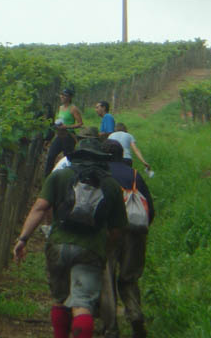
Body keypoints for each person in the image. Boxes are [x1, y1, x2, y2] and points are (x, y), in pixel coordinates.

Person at [14, 139, 128, 338]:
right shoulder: (111, 185)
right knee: (82, 304)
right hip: (90, 249)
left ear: (77, 156)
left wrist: (23, 239)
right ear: (102, 160)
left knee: (60, 300)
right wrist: (105, 249)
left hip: (58, 245)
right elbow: (117, 230)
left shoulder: (59, 176)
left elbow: (39, 208)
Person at [99, 139, 155, 338]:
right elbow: (150, 207)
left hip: (109, 232)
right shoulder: (134, 174)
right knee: (129, 277)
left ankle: (111, 327)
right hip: (135, 230)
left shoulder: (102, 175)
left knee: (106, 278)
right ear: (121, 155)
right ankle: (135, 314)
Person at [44, 87, 83, 177]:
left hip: (68, 135)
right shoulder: (60, 108)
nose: (62, 97)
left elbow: (80, 123)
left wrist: (67, 126)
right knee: (51, 155)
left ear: (69, 97)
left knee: (68, 157)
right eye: (61, 95)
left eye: (64, 95)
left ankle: (68, 176)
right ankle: (47, 177)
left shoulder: (73, 109)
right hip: (60, 134)